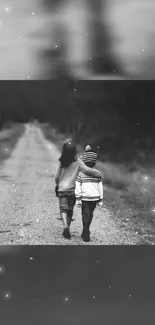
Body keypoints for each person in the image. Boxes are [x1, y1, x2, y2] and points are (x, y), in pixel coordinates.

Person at [55, 139, 103, 240]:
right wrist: (99, 174)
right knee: (70, 210)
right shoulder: (78, 162)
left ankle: (65, 226)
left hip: (62, 190)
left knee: (63, 209)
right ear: (74, 151)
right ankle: (67, 226)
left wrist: (57, 185)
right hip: (73, 190)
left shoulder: (61, 162)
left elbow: (57, 177)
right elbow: (87, 170)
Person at [75, 145, 103, 242]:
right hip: (94, 199)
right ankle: (86, 231)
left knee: (85, 215)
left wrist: (78, 199)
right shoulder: (98, 174)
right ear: (94, 162)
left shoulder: (81, 173)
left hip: (85, 198)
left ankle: (85, 232)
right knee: (90, 215)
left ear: (84, 161)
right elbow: (100, 187)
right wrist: (100, 199)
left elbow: (77, 186)